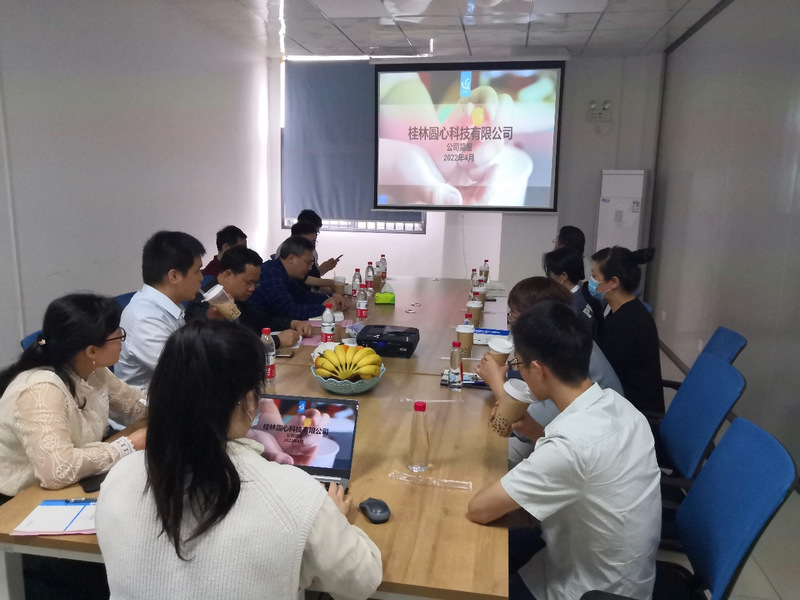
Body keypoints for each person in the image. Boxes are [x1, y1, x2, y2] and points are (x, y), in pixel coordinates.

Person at [96, 320, 382, 599]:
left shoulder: (120, 477)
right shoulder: (296, 496)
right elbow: (362, 582)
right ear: (249, 401)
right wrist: (331, 519)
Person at [467, 301, 661, 600]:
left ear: (538, 370)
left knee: (467, 561)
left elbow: (479, 509)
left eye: (518, 365)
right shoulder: (621, 408)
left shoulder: (570, 446)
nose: (519, 372)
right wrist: (535, 431)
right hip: (616, 574)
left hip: (588, 590)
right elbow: (586, 466)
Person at [0, 294, 147, 499]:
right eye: (117, 334)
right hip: (20, 500)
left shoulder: (93, 370)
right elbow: (57, 469)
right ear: (91, 351)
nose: (122, 339)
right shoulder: (41, 389)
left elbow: (135, 407)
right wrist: (127, 446)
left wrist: (177, 398)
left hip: (71, 485)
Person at [475, 277, 622, 466]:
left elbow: (527, 429)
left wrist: (497, 383)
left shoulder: (563, 358)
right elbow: (533, 428)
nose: (511, 321)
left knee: (488, 455)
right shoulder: (570, 340)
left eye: (513, 315)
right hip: (576, 443)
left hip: (582, 447)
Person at [115, 231, 205, 388]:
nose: (201, 278)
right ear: (174, 276)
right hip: (148, 402)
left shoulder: (169, 305)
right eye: (197, 271)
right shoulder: (145, 319)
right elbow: (187, 373)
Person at [185, 245, 311, 347]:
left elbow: (263, 320)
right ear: (228, 275)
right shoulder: (204, 304)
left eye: (255, 283)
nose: (252, 289)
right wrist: (275, 341)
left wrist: (293, 323)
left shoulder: (237, 298)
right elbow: (227, 345)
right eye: (248, 283)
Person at [590, 246, 664, 415]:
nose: (590, 282)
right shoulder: (623, 310)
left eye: (595, 277)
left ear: (613, 282)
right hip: (622, 399)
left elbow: (601, 373)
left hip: (634, 413)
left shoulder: (628, 323)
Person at [249, 235, 348, 321]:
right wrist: (324, 308)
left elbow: (304, 297)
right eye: (308, 262)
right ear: (291, 258)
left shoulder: (286, 273)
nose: (310, 268)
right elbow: (291, 311)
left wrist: (331, 296)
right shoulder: (271, 274)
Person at [542, 246, 603, 341]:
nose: (549, 279)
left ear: (563, 276)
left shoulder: (573, 307)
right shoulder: (583, 291)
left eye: (549, 275)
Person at [295, 209, 340, 276]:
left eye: (317, 233)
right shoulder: (291, 249)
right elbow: (302, 279)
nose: (315, 237)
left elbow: (313, 275)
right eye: (314, 233)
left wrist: (325, 268)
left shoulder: (310, 247)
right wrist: (323, 268)